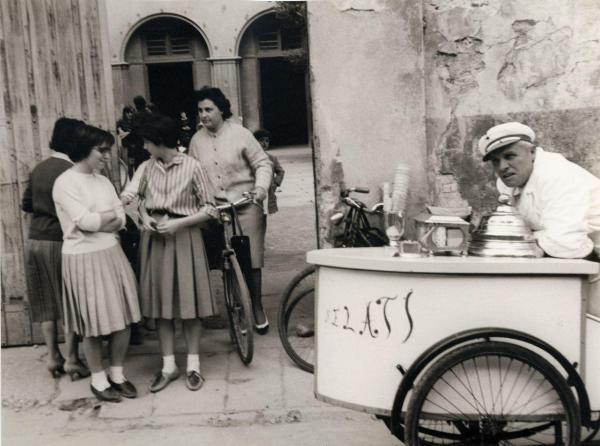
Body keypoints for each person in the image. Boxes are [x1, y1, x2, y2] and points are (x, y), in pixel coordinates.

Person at [52, 125, 141, 402]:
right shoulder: (65, 183)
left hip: (111, 252)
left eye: (108, 150)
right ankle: (99, 380)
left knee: (124, 317)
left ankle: (117, 374)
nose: (107, 156)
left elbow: (122, 218)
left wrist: (99, 220)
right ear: (83, 150)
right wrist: (104, 220)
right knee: (93, 323)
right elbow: (86, 222)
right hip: (82, 258)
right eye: (101, 150)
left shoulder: (103, 181)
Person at [479, 121, 600, 316]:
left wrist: (526, 240)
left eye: (510, 156)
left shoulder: (557, 175)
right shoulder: (508, 184)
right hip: (581, 261)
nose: (502, 167)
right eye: (495, 160)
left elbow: (567, 243)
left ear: (532, 152)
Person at [136, 113, 218, 392]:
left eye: (147, 142)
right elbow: (141, 202)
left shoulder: (193, 167)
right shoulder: (147, 168)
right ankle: (168, 366)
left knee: (190, 305)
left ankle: (193, 365)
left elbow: (210, 208)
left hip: (184, 238)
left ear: (159, 141)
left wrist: (179, 223)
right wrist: (144, 218)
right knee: (162, 308)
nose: (145, 147)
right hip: (155, 240)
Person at [189, 86, 273, 334]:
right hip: (217, 209)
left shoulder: (241, 134)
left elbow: (263, 163)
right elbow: (193, 174)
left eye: (209, 109)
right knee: (226, 261)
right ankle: (237, 307)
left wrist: (260, 190)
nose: (204, 115)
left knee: (252, 259)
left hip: (246, 205)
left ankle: (256, 307)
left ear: (221, 110)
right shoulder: (196, 140)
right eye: (200, 111)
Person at [21, 117, 90, 380]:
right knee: (69, 302)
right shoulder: (72, 170)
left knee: (45, 302)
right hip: (59, 241)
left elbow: (27, 204)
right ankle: (73, 359)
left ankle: (53, 357)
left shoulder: (38, 168)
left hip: (34, 241)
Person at [253, 129, 285, 215]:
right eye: (261, 140)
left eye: (267, 141)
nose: (264, 143)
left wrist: (275, 183)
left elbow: (280, 172)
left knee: (265, 213)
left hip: (268, 192)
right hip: (255, 191)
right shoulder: (251, 158)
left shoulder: (271, 158)